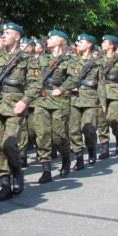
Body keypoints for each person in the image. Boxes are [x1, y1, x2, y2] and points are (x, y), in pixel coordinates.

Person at [0, 22, 39, 201]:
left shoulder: (27, 59)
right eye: (3, 32)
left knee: (8, 144)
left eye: (8, 33)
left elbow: (35, 85)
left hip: (14, 106)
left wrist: (24, 102)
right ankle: (4, 183)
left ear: (17, 36)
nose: (3, 35)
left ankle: (17, 170)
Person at [31, 29, 76, 182]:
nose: (48, 40)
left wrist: (62, 89)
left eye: (51, 38)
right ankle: (46, 169)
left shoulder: (69, 60)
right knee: (42, 133)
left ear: (60, 41)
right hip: (42, 99)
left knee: (58, 136)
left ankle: (65, 157)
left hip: (59, 100)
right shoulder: (41, 59)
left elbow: (74, 78)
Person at [68, 33, 104, 170]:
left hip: (90, 98)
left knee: (88, 129)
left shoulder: (97, 63)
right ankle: (78, 157)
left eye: (81, 42)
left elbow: (101, 84)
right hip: (74, 98)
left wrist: (103, 102)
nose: (78, 44)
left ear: (89, 44)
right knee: (73, 130)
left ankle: (91, 150)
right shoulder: (72, 61)